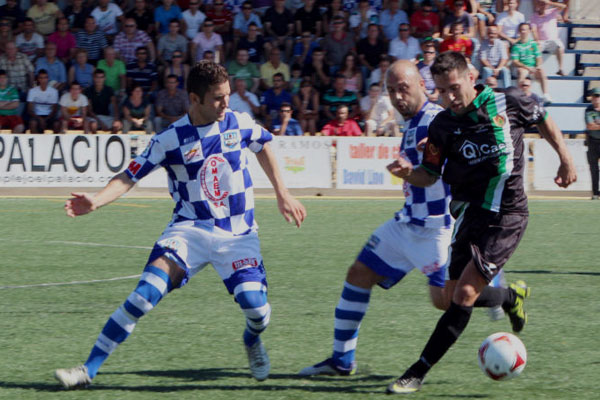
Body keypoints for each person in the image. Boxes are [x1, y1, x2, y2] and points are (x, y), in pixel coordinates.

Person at [54, 60, 306, 389]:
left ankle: (251, 339)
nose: (226, 103)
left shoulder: (238, 122)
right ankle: (87, 370)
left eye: (227, 95)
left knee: (256, 309)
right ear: (195, 98)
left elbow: (265, 143)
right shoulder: (169, 139)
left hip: (238, 235)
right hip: (189, 232)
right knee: (145, 293)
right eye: (218, 97)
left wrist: (282, 192)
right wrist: (96, 201)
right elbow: (130, 176)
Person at [385, 51, 576, 394]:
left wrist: (564, 157)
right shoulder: (442, 125)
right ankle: (509, 296)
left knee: (466, 293)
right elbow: (428, 177)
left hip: (507, 215)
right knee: (448, 296)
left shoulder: (510, 102)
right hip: (469, 214)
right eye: (441, 91)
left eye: (454, 88)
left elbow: (543, 117)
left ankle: (417, 371)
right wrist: (407, 174)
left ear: (471, 77)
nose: (449, 98)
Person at [300, 60, 452, 378]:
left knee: (444, 301)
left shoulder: (437, 121)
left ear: (422, 86)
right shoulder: (412, 123)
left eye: (404, 88)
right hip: (406, 223)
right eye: (392, 90)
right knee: (358, 273)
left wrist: (412, 170)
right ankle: (342, 359)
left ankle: (499, 288)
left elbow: (440, 171)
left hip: (436, 228)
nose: (398, 96)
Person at [511, 22, 551, 103]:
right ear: (519, 31)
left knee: (541, 71)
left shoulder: (533, 44)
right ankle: (520, 96)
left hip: (533, 68)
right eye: (522, 30)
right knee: (522, 72)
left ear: (529, 31)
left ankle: (546, 94)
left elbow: (539, 58)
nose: (523, 32)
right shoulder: (516, 46)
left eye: (525, 30)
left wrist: (537, 66)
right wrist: (527, 67)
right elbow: (515, 61)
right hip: (523, 67)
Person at [530, 0, 567, 76]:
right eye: (541, 4)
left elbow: (564, 6)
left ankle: (560, 69)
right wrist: (536, 40)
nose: (543, 6)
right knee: (535, 47)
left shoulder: (552, 12)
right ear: (537, 5)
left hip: (553, 40)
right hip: (541, 41)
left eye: (544, 4)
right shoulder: (534, 16)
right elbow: (534, 30)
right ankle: (537, 68)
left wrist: (550, 3)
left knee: (559, 46)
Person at [85, 69, 122, 134]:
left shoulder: (109, 90)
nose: (99, 79)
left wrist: (116, 119)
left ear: (104, 78)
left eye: (101, 77)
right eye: (97, 77)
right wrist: (101, 123)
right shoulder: (88, 90)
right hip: (93, 118)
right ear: (94, 78)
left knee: (118, 125)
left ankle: (110, 141)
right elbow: (90, 111)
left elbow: (115, 106)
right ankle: (95, 143)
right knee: (93, 125)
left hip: (106, 117)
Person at [27, 69, 60, 134]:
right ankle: (36, 142)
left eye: (45, 78)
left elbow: (54, 110)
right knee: (32, 123)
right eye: (41, 78)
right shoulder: (32, 91)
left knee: (57, 124)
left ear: (48, 79)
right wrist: (39, 119)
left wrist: (46, 119)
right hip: (36, 116)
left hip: (49, 116)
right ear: (38, 79)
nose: (43, 80)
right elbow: (30, 110)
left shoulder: (54, 91)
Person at [479, 24, 511, 88]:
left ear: (497, 34)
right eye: (490, 33)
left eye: (494, 33)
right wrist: (493, 69)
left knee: (505, 71)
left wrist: (498, 69)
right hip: (489, 67)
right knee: (486, 70)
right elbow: (483, 59)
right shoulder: (483, 44)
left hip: (499, 67)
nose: (492, 35)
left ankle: (508, 91)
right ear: (487, 34)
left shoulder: (501, 43)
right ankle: (485, 92)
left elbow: (504, 58)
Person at [585, 87, 600, 200]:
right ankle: (595, 193)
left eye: (598, 96)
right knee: (593, 169)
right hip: (593, 142)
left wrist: (596, 125)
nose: (596, 99)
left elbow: (593, 125)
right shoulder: (588, 110)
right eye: (595, 96)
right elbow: (590, 126)